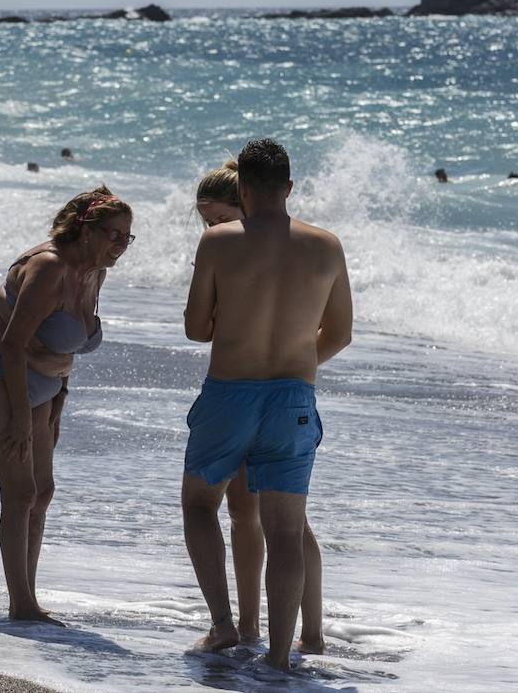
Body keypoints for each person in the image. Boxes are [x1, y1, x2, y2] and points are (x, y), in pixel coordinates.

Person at [182, 139, 352, 672]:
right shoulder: (327, 245)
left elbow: (195, 328)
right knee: (285, 530)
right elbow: (341, 333)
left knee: (199, 506)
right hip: (293, 399)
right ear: (291, 188)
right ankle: (281, 656)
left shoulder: (218, 242)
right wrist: (296, 365)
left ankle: (224, 625)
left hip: (230, 392)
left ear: (245, 189)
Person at [0, 187, 132, 623]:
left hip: (45, 386)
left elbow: (70, 344)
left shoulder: (94, 271)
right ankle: (20, 604)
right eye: (113, 234)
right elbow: (14, 345)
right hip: (1, 378)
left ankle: (29, 597)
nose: (120, 245)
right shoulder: (48, 267)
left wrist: (59, 395)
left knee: (43, 491)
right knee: (19, 493)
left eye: (127, 237)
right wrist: (22, 417)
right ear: (85, 230)